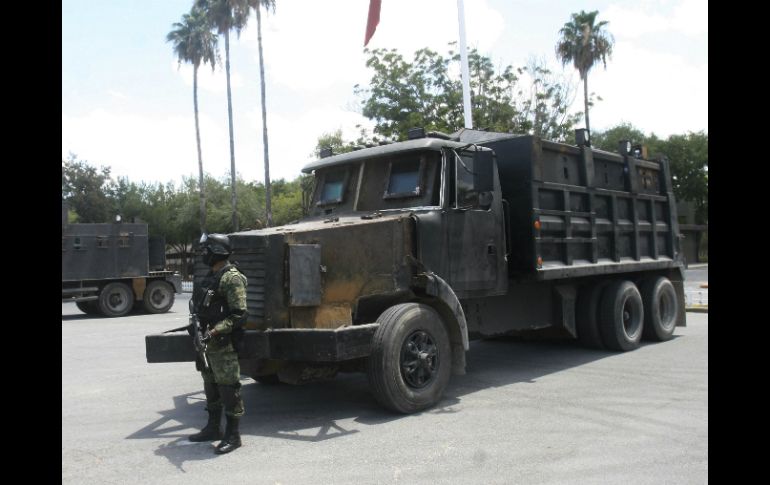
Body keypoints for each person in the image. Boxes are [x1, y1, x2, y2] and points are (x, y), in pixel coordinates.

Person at [188, 233, 248, 454]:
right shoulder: (212, 276)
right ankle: (213, 428)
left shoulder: (232, 278)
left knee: (228, 388)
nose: (204, 254)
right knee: (211, 386)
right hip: (207, 343)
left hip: (223, 343)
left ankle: (233, 435)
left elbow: (239, 314)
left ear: (217, 252)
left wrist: (215, 331)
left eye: (207, 250)